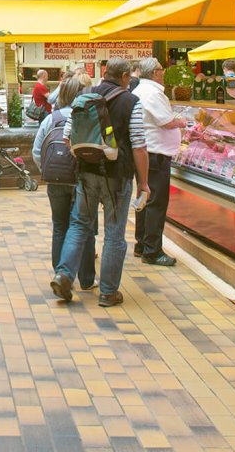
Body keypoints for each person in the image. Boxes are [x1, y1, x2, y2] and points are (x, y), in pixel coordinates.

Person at [51, 58, 149, 307]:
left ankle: (64, 275)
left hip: (86, 173)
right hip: (117, 176)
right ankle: (108, 292)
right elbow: (139, 146)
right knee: (114, 233)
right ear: (126, 76)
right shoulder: (131, 102)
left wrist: (86, 157)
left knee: (79, 224)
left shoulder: (85, 96)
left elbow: (66, 137)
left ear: (105, 73)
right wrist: (144, 183)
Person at [32, 76, 95, 290]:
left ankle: (60, 272)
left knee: (59, 226)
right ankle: (86, 279)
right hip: (81, 180)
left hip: (55, 181)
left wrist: (47, 170)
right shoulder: (86, 117)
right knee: (83, 227)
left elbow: (36, 151)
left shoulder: (51, 118)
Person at [132, 58, 181, 266]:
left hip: (146, 154)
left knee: (144, 198)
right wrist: (182, 121)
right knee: (156, 203)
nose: (163, 73)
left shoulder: (140, 91)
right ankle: (152, 251)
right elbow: (167, 122)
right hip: (155, 155)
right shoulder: (152, 92)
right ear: (154, 73)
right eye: (161, 70)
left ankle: (141, 243)